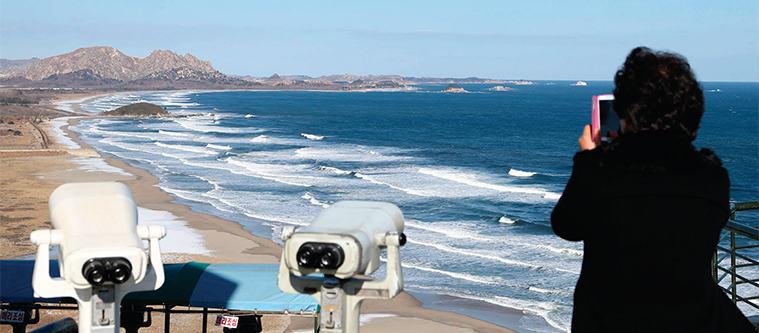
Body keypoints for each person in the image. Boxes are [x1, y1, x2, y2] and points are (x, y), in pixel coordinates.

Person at [551, 47, 755, 332]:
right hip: (696, 322)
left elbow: (566, 227)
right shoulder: (712, 176)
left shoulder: (600, 173)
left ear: (625, 111)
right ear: (693, 111)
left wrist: (588, 159)